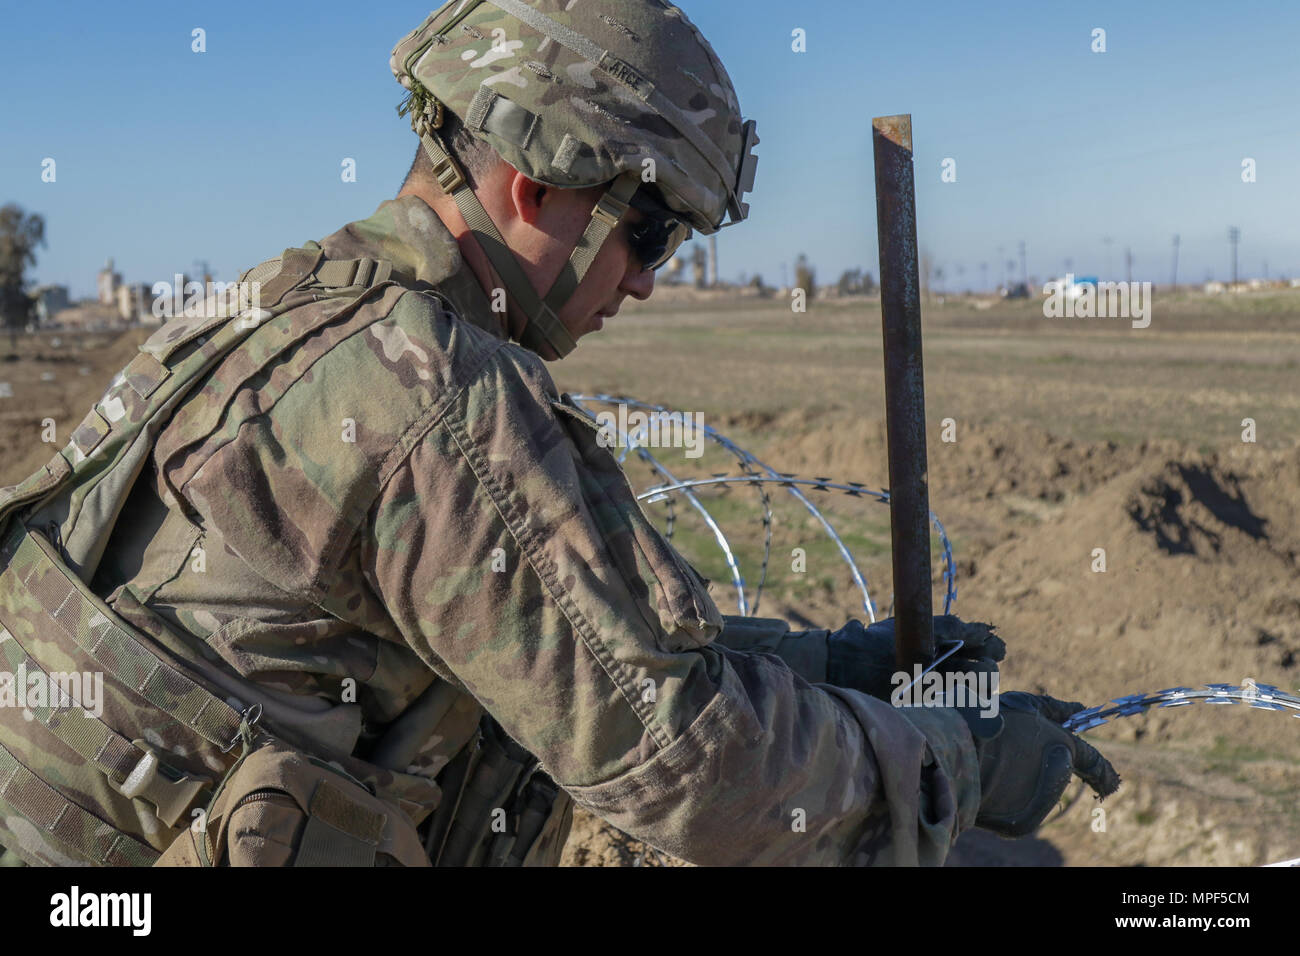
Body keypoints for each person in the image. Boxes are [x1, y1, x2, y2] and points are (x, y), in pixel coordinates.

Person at [0, 0, 1116, 868]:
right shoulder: (434, 390)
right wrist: (957, 763)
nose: (646, 280)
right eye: (651, 232)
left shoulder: (277, 302)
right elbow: (694, 766)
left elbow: (559, 640)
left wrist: (830, 668)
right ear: (538, 188)